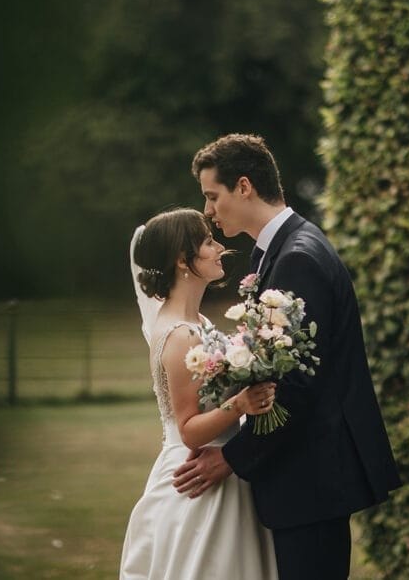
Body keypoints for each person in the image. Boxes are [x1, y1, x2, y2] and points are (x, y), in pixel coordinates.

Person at [174, 134, 402, 579]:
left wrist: (232, 458)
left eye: (211, 196)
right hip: (305, 474)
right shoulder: (285, 249)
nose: (207, 211)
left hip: (311, 476)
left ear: (244, 186)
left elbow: (297, 384)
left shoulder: (298, 257)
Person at [120, 208, 279, 579]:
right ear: (182, 260)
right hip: (197, 475)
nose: (219, 247)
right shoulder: (179, 336)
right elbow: (189, 428)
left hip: (225, 470)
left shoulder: (198, 323)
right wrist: (240, 403)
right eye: (208, 241)